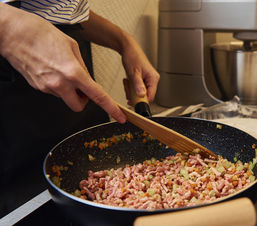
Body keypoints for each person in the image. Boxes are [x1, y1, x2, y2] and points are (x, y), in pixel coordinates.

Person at [0, 0, 159, 206]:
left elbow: (56, 8)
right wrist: (7, 28)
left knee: (82, 177)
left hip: (66, 57)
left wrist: (123, 41)